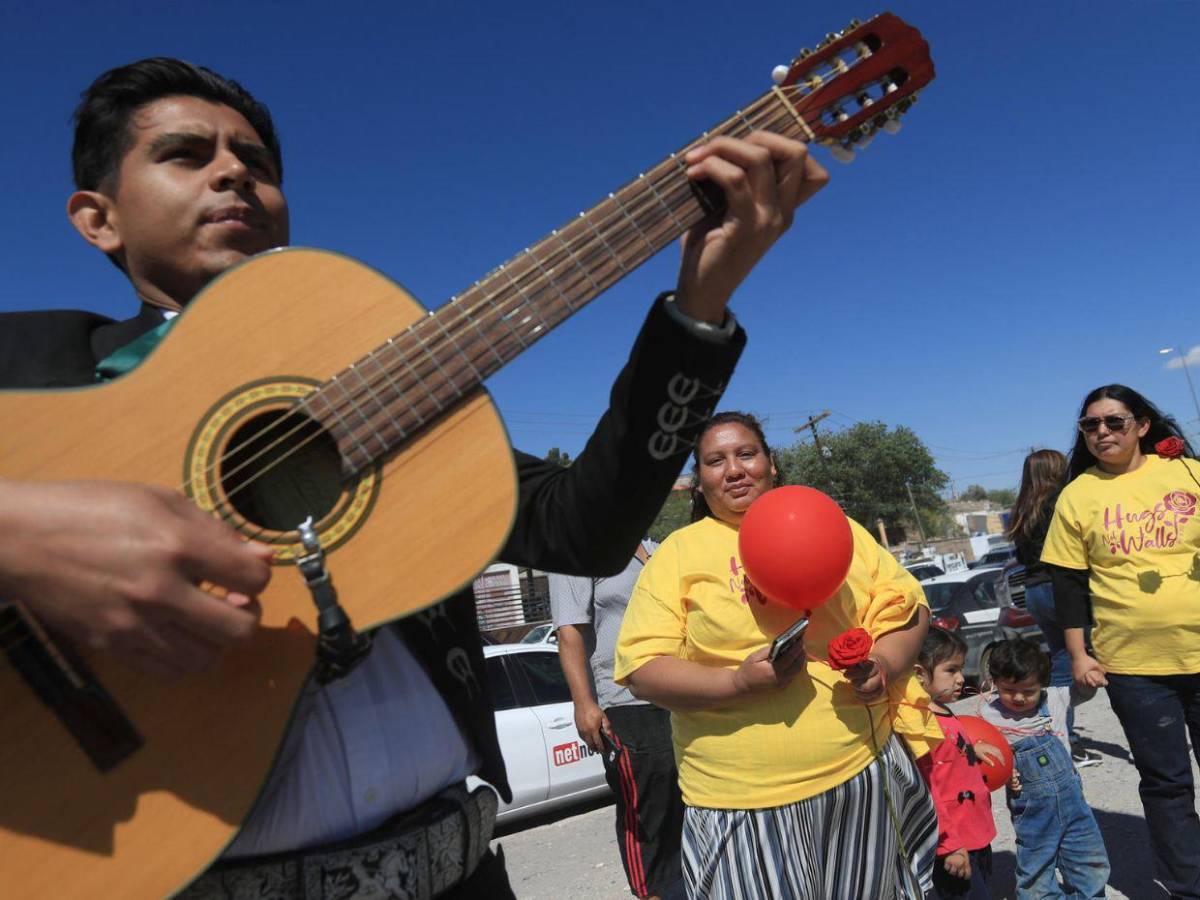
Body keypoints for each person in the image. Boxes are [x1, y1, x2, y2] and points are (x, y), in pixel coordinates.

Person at [0, 58, 829, 898]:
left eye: (258, 164)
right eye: (186, 154)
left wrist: (698, 308)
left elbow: (584, 532)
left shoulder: (382, 392)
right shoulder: (31, 369)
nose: (233, 174)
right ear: (97, 218)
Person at [613, 411, 940, 900]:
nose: (734, 469)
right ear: (699, 483)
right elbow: (642, 670)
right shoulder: (677, 554)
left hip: (861, 776)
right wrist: (737, 683)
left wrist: (885, 667)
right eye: (715, 461)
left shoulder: (833, 524)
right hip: (741, 802)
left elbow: (909, 608)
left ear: (771, 464)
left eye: (746, 453)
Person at [1041, 383, 1200, 898]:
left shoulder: (1187, 474)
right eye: (1091, 425)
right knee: (1166, 783)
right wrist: (1079, 653)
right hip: (1134, 666)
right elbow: (1067, 583)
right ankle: (1187, 884)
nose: (1103, 432)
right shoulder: (1077, 495)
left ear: (1142, 425)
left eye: (1114, 422)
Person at [549, 540, 686, 900]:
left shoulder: (659, 547)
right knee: (648, 812)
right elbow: (569, 632)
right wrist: (585, 703)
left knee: (690, 803)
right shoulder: (576, 550)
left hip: (682, 695)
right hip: (626, 702)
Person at [979, 639, 1109, 899]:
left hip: (1073, 801)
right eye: (1008, 689)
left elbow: (1081, 692)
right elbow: (980, 749)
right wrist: (1004, 771)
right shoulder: (989, 715)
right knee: (1036, 868)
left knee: (1088, 859)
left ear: (1042, 684)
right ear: (995, 682)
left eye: (1028, 691)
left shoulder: (1057, 699)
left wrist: (1089, 680)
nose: (1018, 697)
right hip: (1032, 809)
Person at [1006, 449, 1100, 768]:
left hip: (1034, 591)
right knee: (1093, 652)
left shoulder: (1021, 509)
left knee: (1062, 659)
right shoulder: (1059, 500)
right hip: (1059, 588)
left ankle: (1059, 730)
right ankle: (1064, 735)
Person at [913, 626, 998, 900]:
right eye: (951, 670)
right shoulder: (921, 724)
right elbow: (928, 790)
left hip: (974, 834)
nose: (961, 679)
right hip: (955, 844)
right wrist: (949, 845)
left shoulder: (942, 712)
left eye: (961, 669)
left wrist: (972, 748)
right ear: (919, 674)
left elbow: (947, 752)